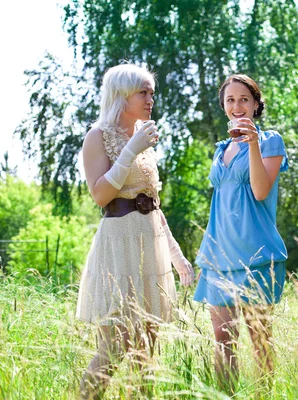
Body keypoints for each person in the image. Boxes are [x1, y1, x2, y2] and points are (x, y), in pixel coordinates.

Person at [76, 64, 195, 399]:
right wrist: (131, 150)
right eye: (143, 91)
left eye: (151, 92)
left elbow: (152, 205)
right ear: (121, 94)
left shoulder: (143, 139)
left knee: (146, 352)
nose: (150, 99)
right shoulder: (97, 136)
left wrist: (178, 257)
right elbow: (101, 194)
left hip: (149, 248)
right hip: (118, 248)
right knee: (114, 347)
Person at [193, 74, 288, 392]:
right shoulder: (220, 149)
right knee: (222, 340)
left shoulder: (270, 140)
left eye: (244, 99)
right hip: (219, 253)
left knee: (259, 339)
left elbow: (261, 191)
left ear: (256, 104)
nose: (237, 106)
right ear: (223, 106)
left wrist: (251, 145)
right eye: (230, 100)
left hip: (255, 253)